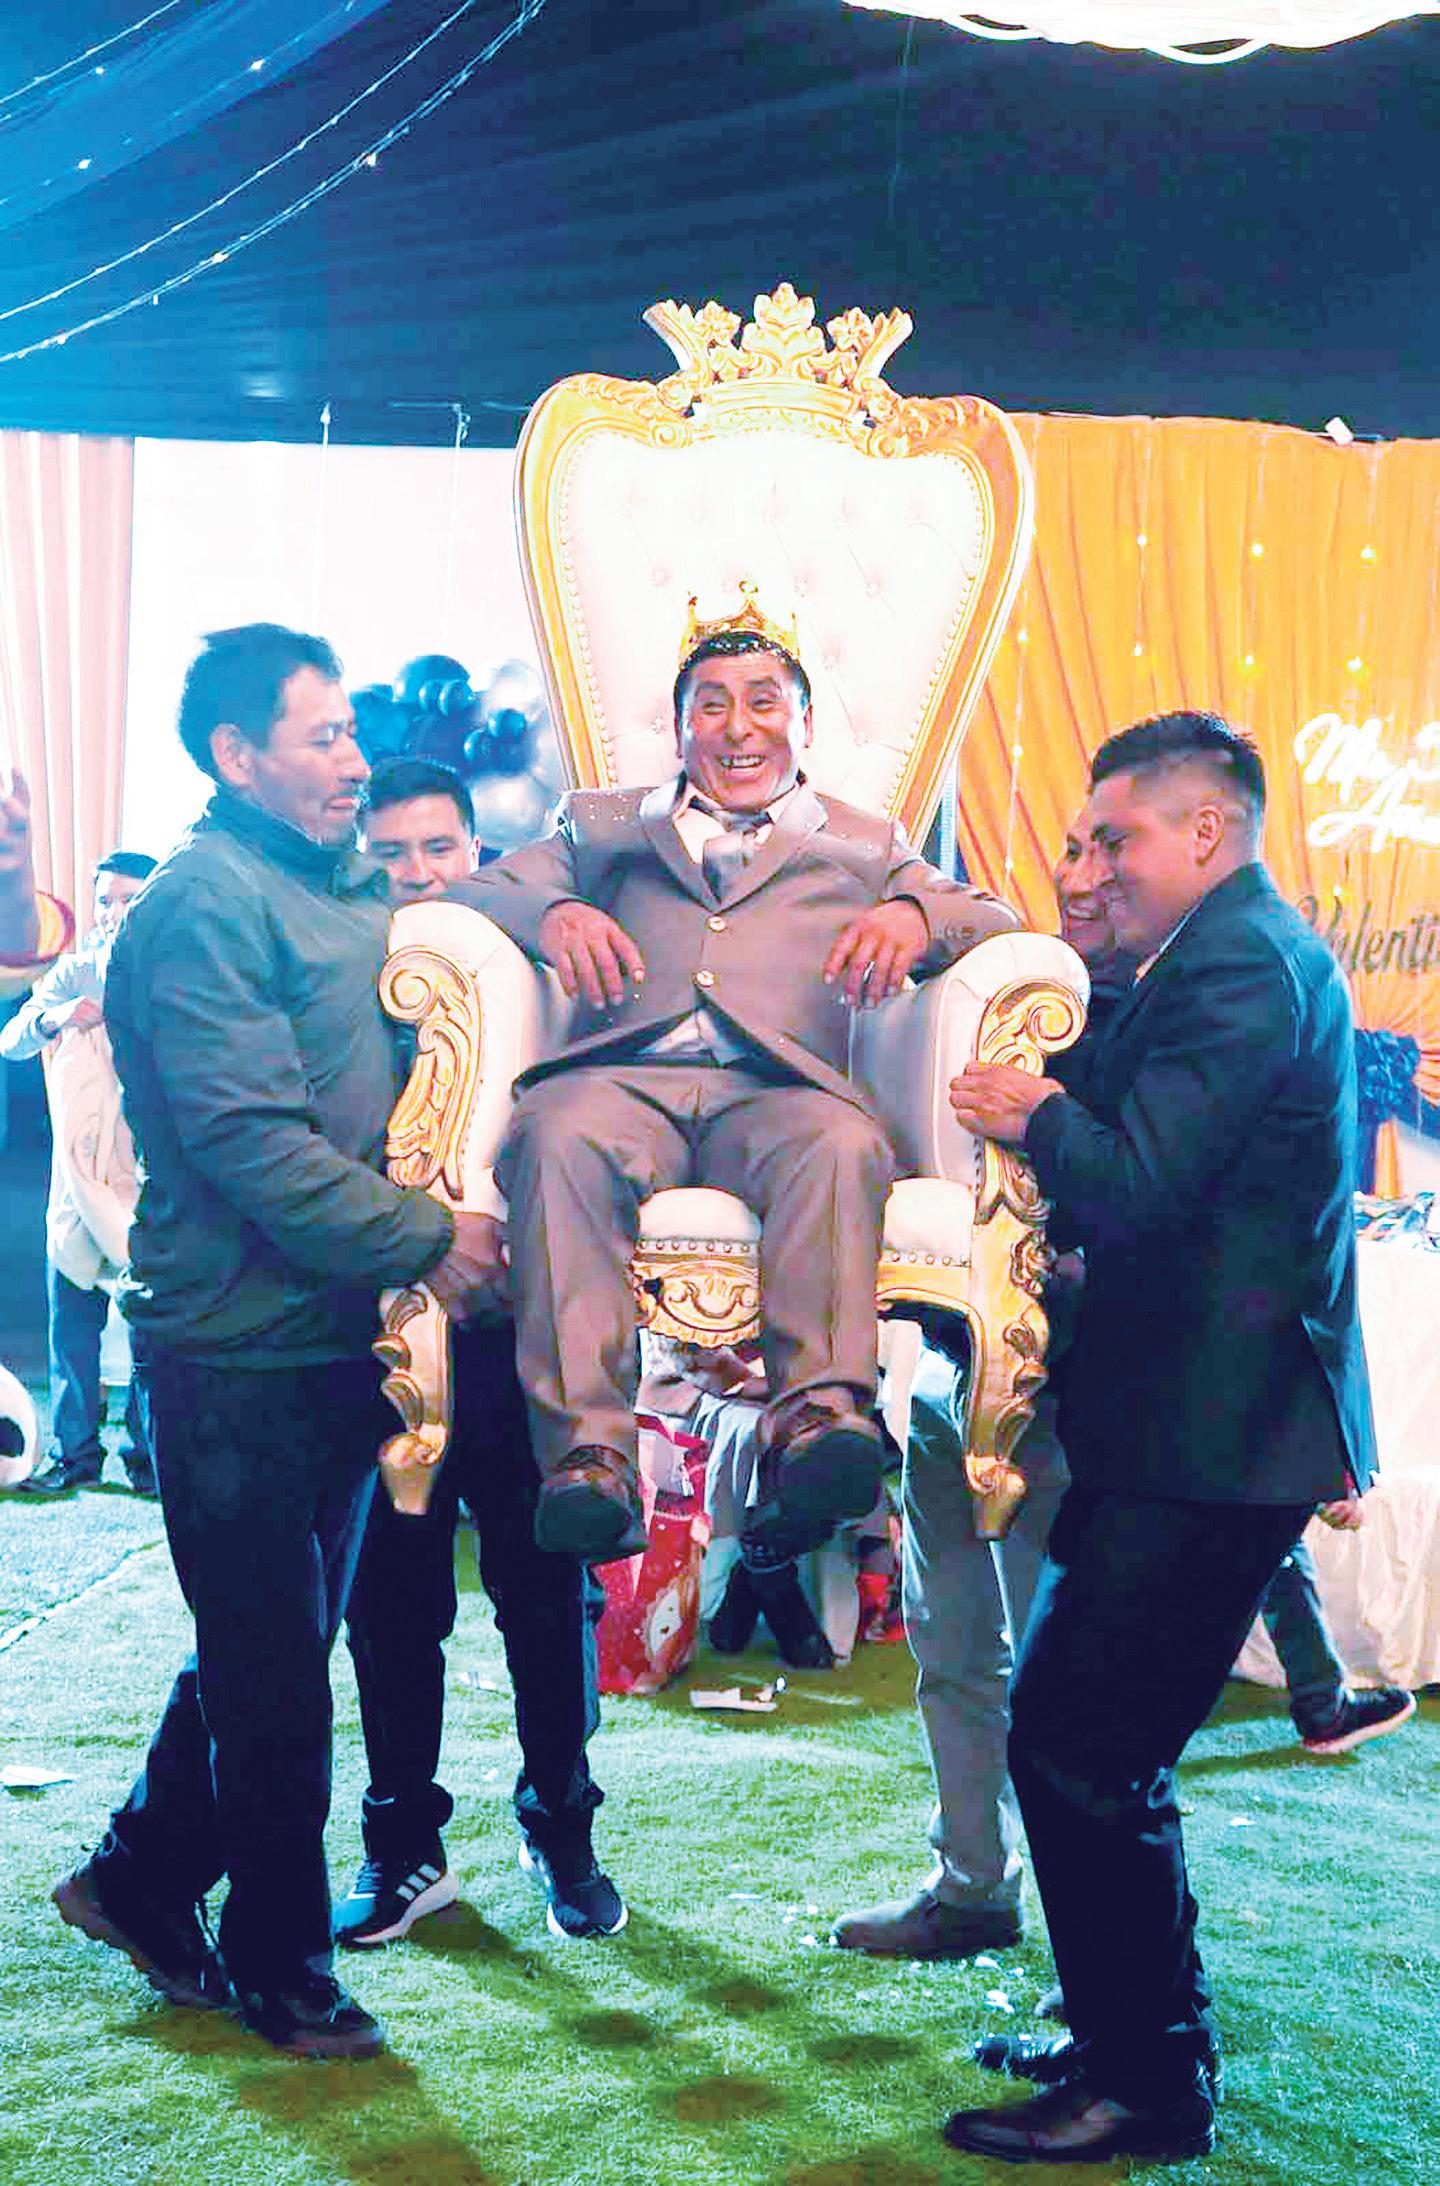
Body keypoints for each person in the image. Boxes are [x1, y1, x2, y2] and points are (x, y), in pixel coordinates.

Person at [50, 625, 501, 2061]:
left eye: (352, 732)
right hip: (230, 1354)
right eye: (323, 738)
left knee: (274, 1644)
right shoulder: (201, 902)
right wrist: (431, 1238)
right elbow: (253, 1144)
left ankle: (135, 1872)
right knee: (274, 1676)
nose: (355, 761)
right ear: (238, 756)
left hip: (337, 1339)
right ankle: (283, 1965)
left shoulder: (345, 876)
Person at [943, 711, 1378, 2165]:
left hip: (1216, 1437)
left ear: (1205, 830)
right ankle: (1129, 2032)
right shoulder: (1213, 952)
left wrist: (1036, 1108)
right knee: (1086, 1744)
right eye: (1080, 842)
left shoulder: (1244, 960)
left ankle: (1147, 2083)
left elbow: (1136, 1179)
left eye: (1112, 839)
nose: (1090, 866)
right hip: (1181, 1428)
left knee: (1082, 1749)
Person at [454, 586, 1017, 1569]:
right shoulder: (604, 824)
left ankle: (818, 1424)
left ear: (804, 723)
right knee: (555, 1132)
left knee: (842, 1141)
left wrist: (915, 917)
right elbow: (482, 886)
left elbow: (991, 917)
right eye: (709, 704)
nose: (737, 726)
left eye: (763, 700)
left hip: (779, 1087)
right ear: (679, 730)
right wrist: (554, 913)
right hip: (622, 1077)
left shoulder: (865, 841)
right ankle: (590, 1457)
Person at [336, 757, 624, 1947]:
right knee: (390, 1608)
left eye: (438, 846)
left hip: (521, 1334)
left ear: (476, 849)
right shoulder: (342, 973)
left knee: (547, 1597)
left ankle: (564, 1826)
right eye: (391, 852)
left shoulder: (538, 955)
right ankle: (402, 1846)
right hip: (378, 1338)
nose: (418, 873)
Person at [1, 850, 158, 1495]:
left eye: (129, 899)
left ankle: (148, 1460)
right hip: (75, 1180)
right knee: (72, 1323)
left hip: (148, 1178)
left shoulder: (177, 971)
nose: (114, 912)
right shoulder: (75, 971)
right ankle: (75, 1455)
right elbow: (12, 1040)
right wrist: (56, 1017)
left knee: (151, 1329)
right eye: (105, 900)